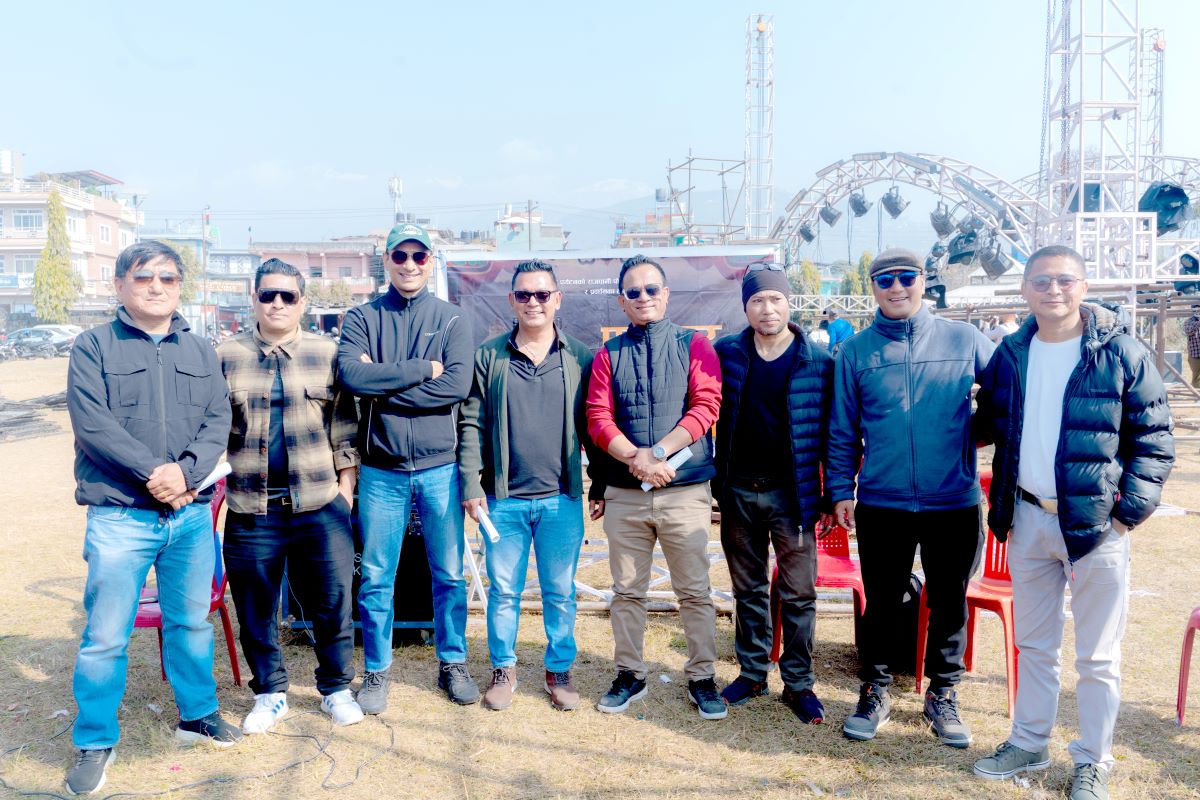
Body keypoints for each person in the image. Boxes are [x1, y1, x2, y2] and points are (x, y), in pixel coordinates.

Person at [972, 245, 1174, 800]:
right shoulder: (1011, 354)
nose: (1053, 290)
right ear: (1025, 290)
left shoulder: (1122, 352)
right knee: (1035, 646)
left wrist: (1126, 516)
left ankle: (1092, 760)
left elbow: (1154, 439)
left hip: (1097, 526)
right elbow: (989, 422)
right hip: (1028, 518)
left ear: (1083, 287)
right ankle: (1029, 741)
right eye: (1041, 281)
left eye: (1064, 280)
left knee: (1098, 657)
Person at [65, 241, 239, 795]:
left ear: (180, 286)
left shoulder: (201, 349)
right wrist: (154, 475)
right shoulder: (93, 346)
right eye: (143, 277)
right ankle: (95, 739)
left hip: (188, 519)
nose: (156, 286)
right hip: (122, 517)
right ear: (119, 285)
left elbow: (217, 419)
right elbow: (93, 425)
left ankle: (198, 715)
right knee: (105, 637)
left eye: (168, 277)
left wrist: (185, 474)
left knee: (190, 623)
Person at [827, 247, 995, 747]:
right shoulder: (854, 352)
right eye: (885, 280)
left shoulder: (965, 339)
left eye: (906, 277)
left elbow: (1008, 397)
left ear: (924, 280)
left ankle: (943, 693)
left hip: (954, 499)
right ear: (873, 288)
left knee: (949, 602)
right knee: (880, 602)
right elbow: (842, 430)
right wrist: (841, 489)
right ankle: (874, 689)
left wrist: (972, 434)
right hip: (883, 501)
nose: (896, 287)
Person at [218, 258, 363, 734]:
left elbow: (344, 426)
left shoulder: (328, 353)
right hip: (251, 507)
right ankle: (270, 693)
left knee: (332, 600)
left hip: (320, 503)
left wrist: (345, 491)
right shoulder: (227, 355)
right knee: (255, 606)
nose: (277, 303)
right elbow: (214, 429)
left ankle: (336, 689)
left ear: (302, 302)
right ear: (254, 299)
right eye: (268, 295)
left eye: (288, 296)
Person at [336, 222, 477, 710]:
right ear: (387, 260)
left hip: (441, 468)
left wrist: (383, 386)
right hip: (381, 470)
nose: (410, 264)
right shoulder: (362, 317)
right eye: (400, 255)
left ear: (430, 260)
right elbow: (351, 376)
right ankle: (377, 671)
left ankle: (452, 661)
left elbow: (456, 387)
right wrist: (421, 370)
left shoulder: (453, 320)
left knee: (449, 573)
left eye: (419, 256)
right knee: (377, 576)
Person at [585, 254, 725, 720]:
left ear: (665, 295)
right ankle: (630, 674)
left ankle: (702, 677)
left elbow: (706, 406)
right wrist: (636, 460)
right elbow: (597, 417)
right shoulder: (608, 355)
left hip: (684, 491)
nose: (643, 297)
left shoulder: (695, 345)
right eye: (633, 291)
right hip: (626, 495)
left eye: (651, 289)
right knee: (627, 591)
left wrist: (658, 454)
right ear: (621, 301)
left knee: (695, 591)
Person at [458, 259, 602, 711]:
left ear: (558, 299)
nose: (533, 302)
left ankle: (559, 671)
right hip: (503, 501)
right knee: (504, 592)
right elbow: (471, 423)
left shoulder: (579, 357)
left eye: (542, 294)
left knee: (560, 592)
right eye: (524, 294)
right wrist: (470, 483)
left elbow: (594, 424)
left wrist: (599, 484)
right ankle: (504, 668)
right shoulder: (489, 357)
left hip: (561, 499)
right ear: (512, 300)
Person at [713, 262, 834, 723]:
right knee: (748, 590)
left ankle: (799, 683)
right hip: (738, 492)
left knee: (799, 593)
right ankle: (752, 673)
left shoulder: (818, 363)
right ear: (746, 306)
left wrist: (832, 494)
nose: (767, 309)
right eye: (758, 300)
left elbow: (834, 435)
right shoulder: (727, 354)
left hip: (794, 497)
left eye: (776, 299)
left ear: (790, 303)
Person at [1185, 304, 1200, 390]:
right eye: (1195, 308)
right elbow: (1189, 331)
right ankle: (1197, 395)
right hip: (1195, 354)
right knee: (1196, 377)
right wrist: (1198, 323)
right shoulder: (1189, 321)